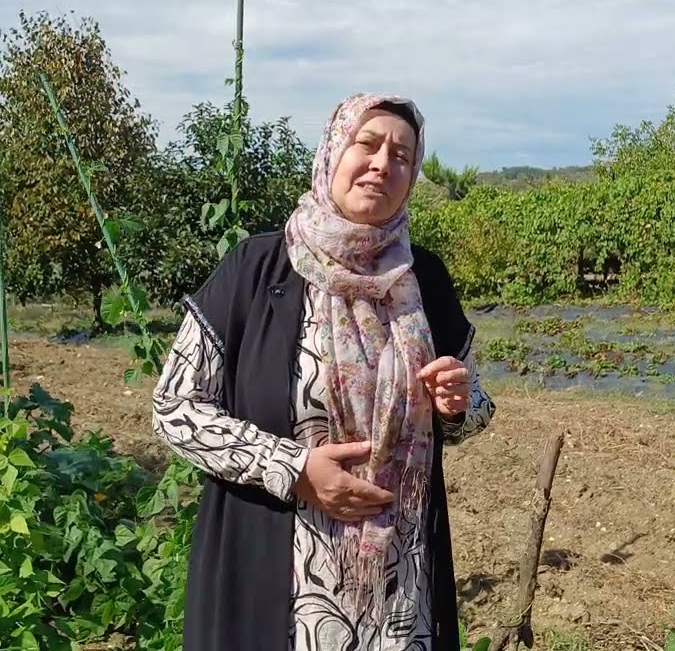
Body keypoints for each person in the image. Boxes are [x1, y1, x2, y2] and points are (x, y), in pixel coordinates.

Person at [150, 92, 497, 651]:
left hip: (399, 594)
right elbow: (175, 408)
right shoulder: (256, 269)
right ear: (334, 151)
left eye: (403, 155)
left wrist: (457, 404)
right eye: (368, 144)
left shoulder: (424, 280)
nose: (384, 163)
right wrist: (295, 470)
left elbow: (477, 408)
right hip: (276, 579)